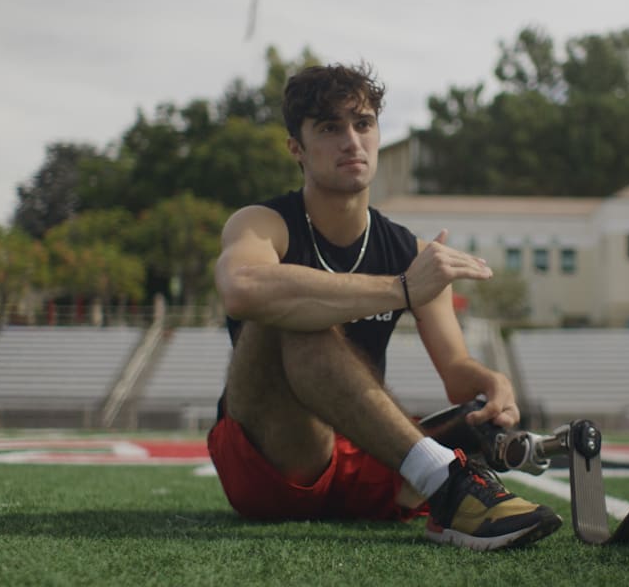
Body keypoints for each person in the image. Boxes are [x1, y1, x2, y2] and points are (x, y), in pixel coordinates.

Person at [209, 62, 561, 550]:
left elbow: (457, 371)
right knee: (297, 308)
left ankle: (443, 468)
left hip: (358, 461)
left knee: (474, 415)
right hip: (270, 458)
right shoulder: (264, 222)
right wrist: (399, 289)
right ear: (297, 148)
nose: (351, 141)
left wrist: (492, 384)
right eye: (330, 128)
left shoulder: (412, 254)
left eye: (363, 124)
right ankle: (447, 482)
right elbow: (243, 288)